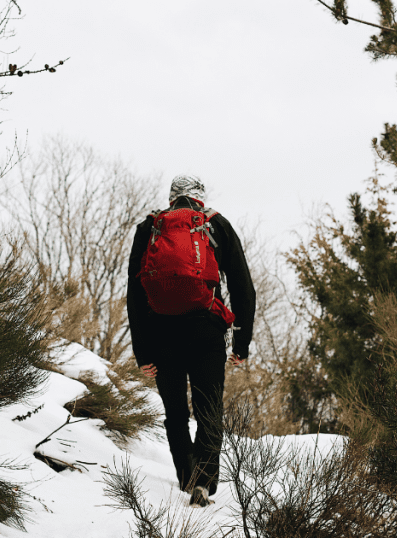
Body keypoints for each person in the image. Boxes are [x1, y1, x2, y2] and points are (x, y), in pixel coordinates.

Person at [126, 175, 255, 507]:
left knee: (175, 413)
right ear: (200, 197)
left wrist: (142, 352)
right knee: (209, 409)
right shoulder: (216, 225)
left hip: (162, 333)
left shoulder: (149, 227)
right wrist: (241, 344)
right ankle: (205, 484)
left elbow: (136, 294)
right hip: (206, 331)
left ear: (172, 199)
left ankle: (186, 478)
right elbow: (243, 288)